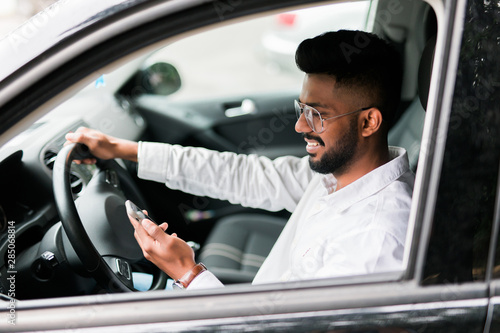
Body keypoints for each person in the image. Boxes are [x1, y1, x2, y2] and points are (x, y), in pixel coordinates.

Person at [65, 30, 414, 290]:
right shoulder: (340, 176)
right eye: (301, 109)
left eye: (317, 115)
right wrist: (125, 149)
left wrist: (189, 274)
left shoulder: (376, 239)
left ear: (369, 122)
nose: (299, 125)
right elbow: (241, 174)